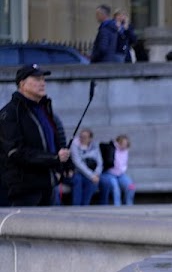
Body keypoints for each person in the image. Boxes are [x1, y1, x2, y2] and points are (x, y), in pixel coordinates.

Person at [0, 65, 70, 207]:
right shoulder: (10, 113)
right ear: (22, 84)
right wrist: (54, 158)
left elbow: (54, 142)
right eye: (37, 79)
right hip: (24, 191)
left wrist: (63, 165)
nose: (42, 83)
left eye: (43, 79)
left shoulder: (43, 110)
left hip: (48, 187)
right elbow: (16, 152)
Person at [69, 128, 102, 205]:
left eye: (85, 137)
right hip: (78, 171)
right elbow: (78, 163)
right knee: (78, 180)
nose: (82, 139)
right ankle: (76, 206)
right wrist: (91, 175)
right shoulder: (74, 145)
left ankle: (85, 206)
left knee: (93, 182)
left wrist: (96, 174)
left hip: (91, 172)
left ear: (90, 138)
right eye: (81, 136)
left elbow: (100, 162)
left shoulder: (94, 146)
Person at [98, 134, 134, 204]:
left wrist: (123, 170)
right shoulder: (112, 148)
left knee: (131, 186)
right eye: (123, 143)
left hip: (121, 174)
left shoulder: (126, 151)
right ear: (119, 142)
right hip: (109, 173)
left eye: (126, 144)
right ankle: (117, 206)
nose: (124, 146)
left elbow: (124, 163)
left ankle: (129, 203)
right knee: (115, 188)